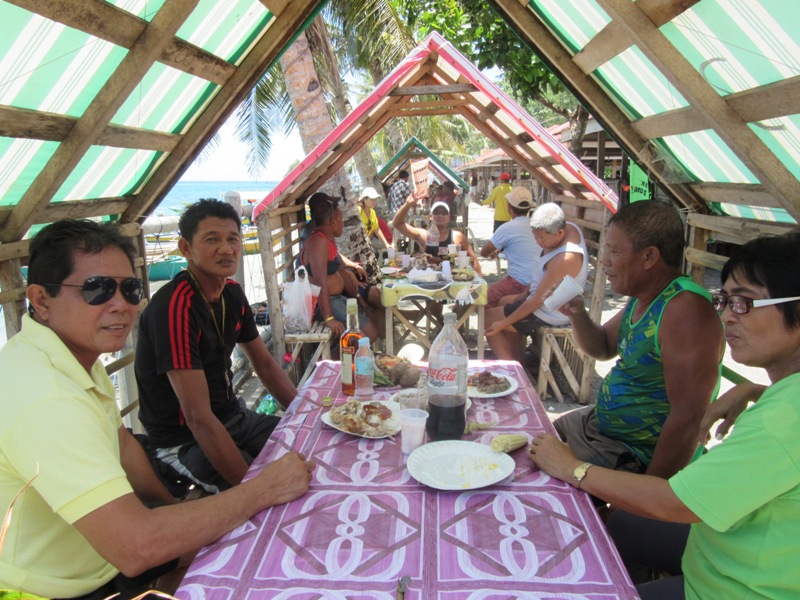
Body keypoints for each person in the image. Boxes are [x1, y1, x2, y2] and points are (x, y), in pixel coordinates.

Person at [0, 219, 314, 599]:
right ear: (41, 300)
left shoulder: (72, 357)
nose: (121, 305)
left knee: (250, 539)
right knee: (261, 549)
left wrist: (171, 510)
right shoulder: (47, 398)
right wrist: (261, 489)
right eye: (97, 289)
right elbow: (136, 547)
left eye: (130, 289)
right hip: (61, 587)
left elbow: (124, 447)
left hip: (102, 555)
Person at [528, 231, 800, 600]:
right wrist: (755, 390)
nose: (724, 316)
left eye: (743, 303)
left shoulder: (780, 421)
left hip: (729, 588)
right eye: (725, 300)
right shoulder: (785, 402)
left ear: (649, 256)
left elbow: (675, 500)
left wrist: (572, 469)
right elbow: (602, 347)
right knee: (619, 524)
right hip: (723, 545)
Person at [545, 201, 725, 478]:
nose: (604, 260)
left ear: (649, 256)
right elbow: (603, 347)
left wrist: (644, 494)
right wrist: (576, 313)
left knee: (534, 473)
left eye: (615, 251)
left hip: (632, 454)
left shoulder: (684, 309)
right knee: (531, 437)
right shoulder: (645, 296)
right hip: (601, 431)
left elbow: (689, 418)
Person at [135, 199, 298, 494]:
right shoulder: (175, 307)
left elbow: (265, 365)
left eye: (233, 239)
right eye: (212, 239)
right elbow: (197, 417)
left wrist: (304, 416)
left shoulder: (232, 294)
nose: (226, 249)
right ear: (185, 248)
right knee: (270, 495)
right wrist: (255, 491)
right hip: (184, 440)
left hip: (235, 418)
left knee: (310, 448)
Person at [484, 202, 587, 360]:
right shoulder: (569, 228)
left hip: (551, 312)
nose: (538, 242)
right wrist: (524, 294)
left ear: (560, 232)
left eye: (542, 238)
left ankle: (512, 368)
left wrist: (503, 324)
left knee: (488, 319)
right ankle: (516, 358)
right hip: (542, 300)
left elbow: (536, 301)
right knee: (504, 301)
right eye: (535, 236)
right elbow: (540, 275)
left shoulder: (565, 259)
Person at [300, 192, 383, 341]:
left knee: (374, 321)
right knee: (369, 333)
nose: (343, 224)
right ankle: (339, 356)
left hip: (336, 299)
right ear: (332, 222)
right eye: (341, 220)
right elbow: (319, 282)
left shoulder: (328, 240)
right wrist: (329, 318)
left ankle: (348, 354)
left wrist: (360, 300)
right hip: (323, 304)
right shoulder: (318, 243)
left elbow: (341, 273)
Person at [480, 186, 540, 308]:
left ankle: (490, 319)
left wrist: (495, 250)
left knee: (482, 300)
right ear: (529, 208)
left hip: (519, 282)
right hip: (539, 282)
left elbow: (484, 252)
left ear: (509, 206)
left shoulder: (507, 228)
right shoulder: (537, 226)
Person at [391, 196, 483, 276]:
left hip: (453, 279)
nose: (440, 216)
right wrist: (407, 204)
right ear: (430, 216)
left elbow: (473, 260)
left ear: (449, 217)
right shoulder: (423, 235)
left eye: (444, 213)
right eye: (436, 212)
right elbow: (397, 224)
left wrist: (480, 282)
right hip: (428, 278)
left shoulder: (457, 236)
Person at [357, 186, 391, 253]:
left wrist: (386, 244)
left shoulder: (372, 212)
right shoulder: (358, 210)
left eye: (375, 199)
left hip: (365, 245)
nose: (375, 202)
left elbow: (376, 229)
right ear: (364, 199)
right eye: (372, 199)